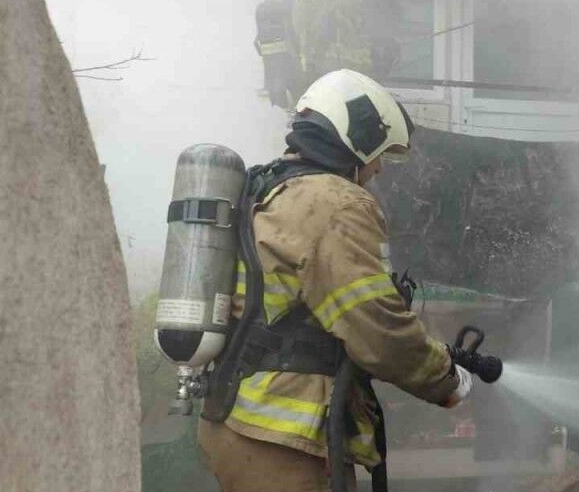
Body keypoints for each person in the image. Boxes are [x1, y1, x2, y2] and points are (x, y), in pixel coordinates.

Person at [197, 69, 472, 492]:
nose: (378, 168)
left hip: (239, 424)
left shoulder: (269, 188)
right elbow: (377, 329)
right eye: (378, 153)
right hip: (282, 439)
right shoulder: (336, 203)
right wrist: (446, 380)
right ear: (356, 137)